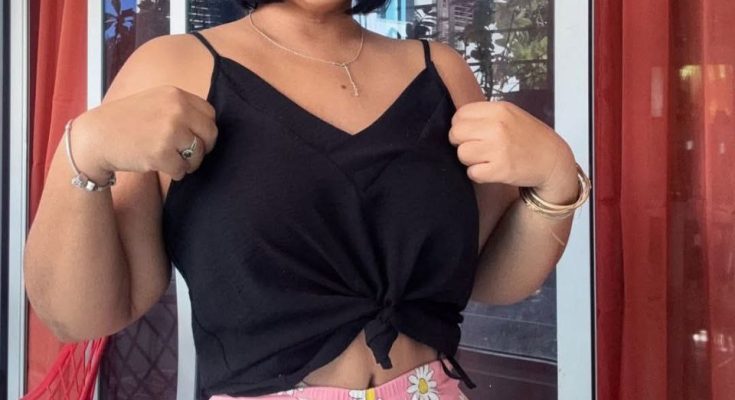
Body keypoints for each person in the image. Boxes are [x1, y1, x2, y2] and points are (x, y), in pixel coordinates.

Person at [23, 0, 590, 398]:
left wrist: (558, 179)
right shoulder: (172, 68)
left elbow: (490, 277)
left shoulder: (441, 71)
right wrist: (83, 153)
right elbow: (80, 316)